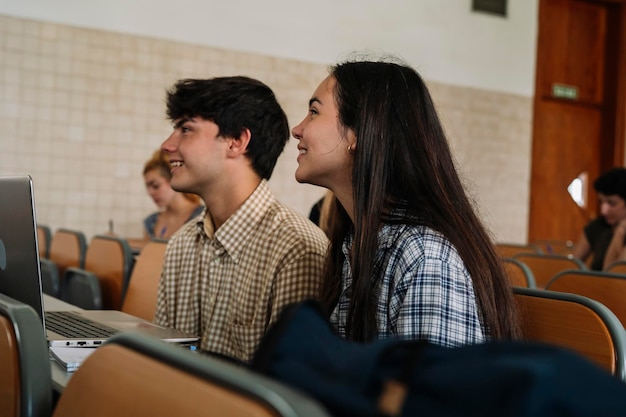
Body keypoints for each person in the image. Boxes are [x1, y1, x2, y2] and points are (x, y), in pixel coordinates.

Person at [292, 58, 522, 346]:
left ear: (358, 133)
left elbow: (430, 390)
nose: (297, 129)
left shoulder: (425, 258)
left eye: (314, 112)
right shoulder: (356, 241)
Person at [154, 76, 329, 363]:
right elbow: (161, 361)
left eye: (186, 129)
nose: (167, 145)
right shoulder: (182, 244)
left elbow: (286, 392)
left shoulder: (296, 251)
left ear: (236, 142)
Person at [142, 149, 204, 240]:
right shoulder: (151, 222)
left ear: (174, 180)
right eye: (148, 187)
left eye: (155, 186)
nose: (150, 193)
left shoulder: (202, 216)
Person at [572, 167, 626, 270]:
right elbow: (572, 264)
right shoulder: (598, 225)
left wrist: (620, 232)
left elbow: (614, 273)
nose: (603, 211)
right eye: (601, 202)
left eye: (612, 203)